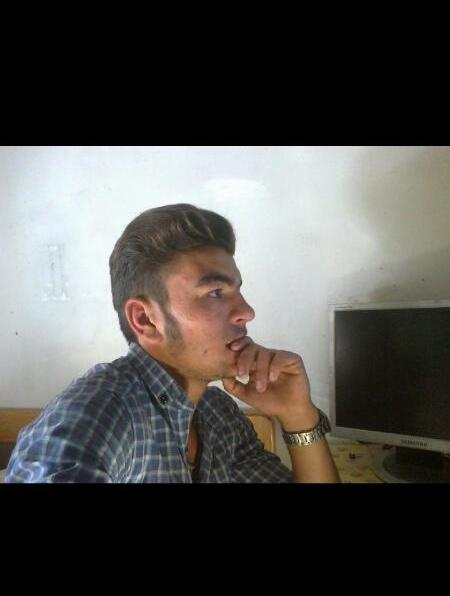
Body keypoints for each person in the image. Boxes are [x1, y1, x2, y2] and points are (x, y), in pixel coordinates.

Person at [6, 204, 340, 483]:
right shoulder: (95, 416)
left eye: (237, 290)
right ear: (146, 319)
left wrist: (298, 417)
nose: (247, 312)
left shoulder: (218, 414)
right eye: (215, 292)